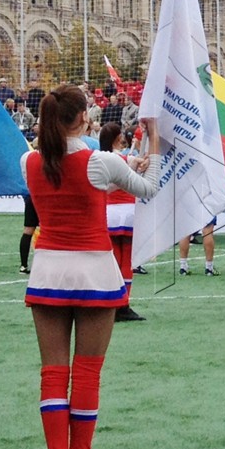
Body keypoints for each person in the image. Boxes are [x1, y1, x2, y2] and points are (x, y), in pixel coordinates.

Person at [21, 85, 162, 449]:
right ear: (83, 118)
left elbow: (57, 169)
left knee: (53, 372)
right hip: (94, 272)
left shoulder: (29, 159)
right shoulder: (100, 161)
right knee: (87, 371)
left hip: (47, 271)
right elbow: (148, 189)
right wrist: (152, 139)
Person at [98, 121, 144, 322]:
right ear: (118, 138)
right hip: (127, 212)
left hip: (108, 213)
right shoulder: (126, 159)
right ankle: (123, 303)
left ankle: (111, 302)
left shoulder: (99, 159)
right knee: (127, 261)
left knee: (114, 259)